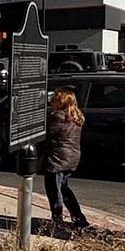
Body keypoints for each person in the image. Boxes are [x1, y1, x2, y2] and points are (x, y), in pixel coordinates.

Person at [42, 88, 89, 231]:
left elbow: (46, 134)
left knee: (54, 190)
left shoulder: (58, 117)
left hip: (58, 159)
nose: (51, 101)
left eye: (55, 98)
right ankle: (78, 217)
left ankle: (57, 220)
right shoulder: (75, 116)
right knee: (63, 188)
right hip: (71, 157)